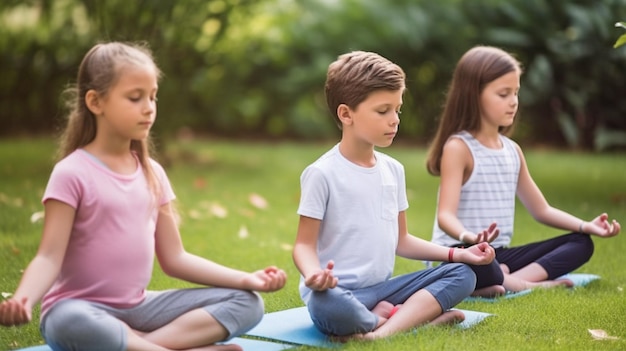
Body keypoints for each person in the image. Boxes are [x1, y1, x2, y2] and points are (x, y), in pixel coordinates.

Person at [0, 42, 287, 351]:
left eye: (152, 96)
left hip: (139, 309)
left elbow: (175, 258)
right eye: (135, 97)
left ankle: (140, 346)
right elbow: (48, 256)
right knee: (67, 322)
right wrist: (23, 298)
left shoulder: (153, 173)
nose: (149, 107)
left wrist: (246, 280)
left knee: (248, 303)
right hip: (80, 310)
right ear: (96, 102)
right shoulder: (72, 173)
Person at [292, 50, 496, 341]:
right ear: (346, 113)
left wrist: (459, 254)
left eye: (397, 109)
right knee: (329, 307)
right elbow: (302, 245)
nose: (395, 120)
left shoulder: (393, 170)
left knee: (463, 274)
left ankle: (379, 330)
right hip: (337, 294)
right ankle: (402, 319)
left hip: (383, 290)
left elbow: (402, 240)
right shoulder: (322, 173)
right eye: (383, 111)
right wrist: (315, 275)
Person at [426, 45, 621, 297]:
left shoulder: (512, 150)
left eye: (516, 92)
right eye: (504, 94)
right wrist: (470, 237)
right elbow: (445, 216)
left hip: (497, 255)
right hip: (459, 252)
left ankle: (507, 280)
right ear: (473, 95)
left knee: (580, 243)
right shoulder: (459, 147)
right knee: (478, 266)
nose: (514, 102)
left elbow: (541, 210)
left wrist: (586, 226)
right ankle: (519, 284)